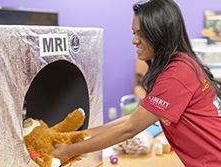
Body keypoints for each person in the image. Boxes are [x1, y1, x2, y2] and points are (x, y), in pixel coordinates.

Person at [50, 0, 221, 166]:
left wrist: (68, 151)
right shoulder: (179, 64)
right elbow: (134, 119)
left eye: (142, 34)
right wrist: (80, 135)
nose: (134, 41)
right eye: (134, 33)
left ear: (161, 33)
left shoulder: (177, 73)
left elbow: (129, 129)